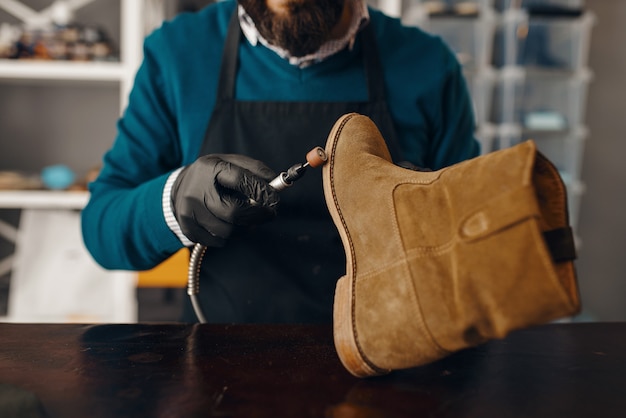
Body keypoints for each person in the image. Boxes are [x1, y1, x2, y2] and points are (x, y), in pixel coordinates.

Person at [81, 0, 480, 323]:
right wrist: (172, 201)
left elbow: (476, 240)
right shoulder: (178, 53)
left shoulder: (429, 65)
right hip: (219, 365)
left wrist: (431, 216)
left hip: (390, 360)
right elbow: (102, 230)